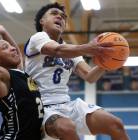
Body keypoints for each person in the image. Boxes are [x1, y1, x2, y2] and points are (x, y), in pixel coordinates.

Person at [24, 2, 129, 140]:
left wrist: (106, 62)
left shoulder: (71, 49)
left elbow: (89, 76)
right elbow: (57, 50)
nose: (60, 17)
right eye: (54, 13)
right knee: (67, 128)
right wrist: (89, 47)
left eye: (63, 16)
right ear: (42, 21)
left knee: (115, 124)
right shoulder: (38, 38)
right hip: (42, 106)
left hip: (67, 105)